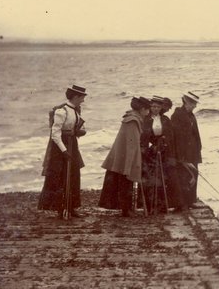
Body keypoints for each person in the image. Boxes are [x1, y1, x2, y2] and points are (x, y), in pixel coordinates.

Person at [38, 84, 88, 218]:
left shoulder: (76, 110)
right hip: (60, 147)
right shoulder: (62, 111)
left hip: (72, 143)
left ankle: (71, 207)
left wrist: (80, 132)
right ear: (76, 97)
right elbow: (55, 134)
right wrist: (64, 151)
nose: (83, 100)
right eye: (82, 97)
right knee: (60, 177)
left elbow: (75, 128)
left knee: (73, 174)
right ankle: (60, 209)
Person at [98, 96, 151, 217]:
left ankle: (126, 209)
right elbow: (132, 145)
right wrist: (130, 164)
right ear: (142, 109)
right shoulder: (133, 120)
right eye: (147, 110)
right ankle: (126, 210)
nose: (148, 113)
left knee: (125, 182)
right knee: (126, 182)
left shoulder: (131, 118)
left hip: (122, 156)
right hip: (126, 157)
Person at [140, 96, 177, 214]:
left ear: (161, 108)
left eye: (157, 107)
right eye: (153, 106)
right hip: (150, 152)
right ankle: (149, 205)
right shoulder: (146, 119)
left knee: (162, 177)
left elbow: (170, 135)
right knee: (150, 178)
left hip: (163, 150)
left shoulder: (165, 119)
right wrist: (151, 146)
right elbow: (143, 136)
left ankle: (161, 206)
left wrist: (163, 142)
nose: (155, 109)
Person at [170, 91, 203, 211]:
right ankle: (181, 203)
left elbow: (195, 134)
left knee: (194, 174)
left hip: (193, 152)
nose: (195, 106)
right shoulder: (177, 115)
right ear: (186, 102)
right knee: (183, 177)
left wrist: (198, 148)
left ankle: (190, 201)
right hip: (183, 153)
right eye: (193, 103)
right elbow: (177, 137)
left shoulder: (191, 115)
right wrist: (181, 156)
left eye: (195, 103)